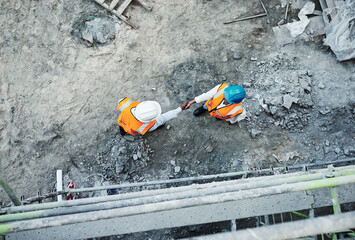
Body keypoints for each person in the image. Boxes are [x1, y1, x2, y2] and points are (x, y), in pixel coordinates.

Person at [117, 98, 188, 135]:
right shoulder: (147, 126)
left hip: (122, 122)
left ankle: (122, 133)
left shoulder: (127, 104)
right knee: (159, 124)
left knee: (122, 128)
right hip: (132, 130)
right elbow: (164, 118)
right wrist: (180, 109)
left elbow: (121, 101)